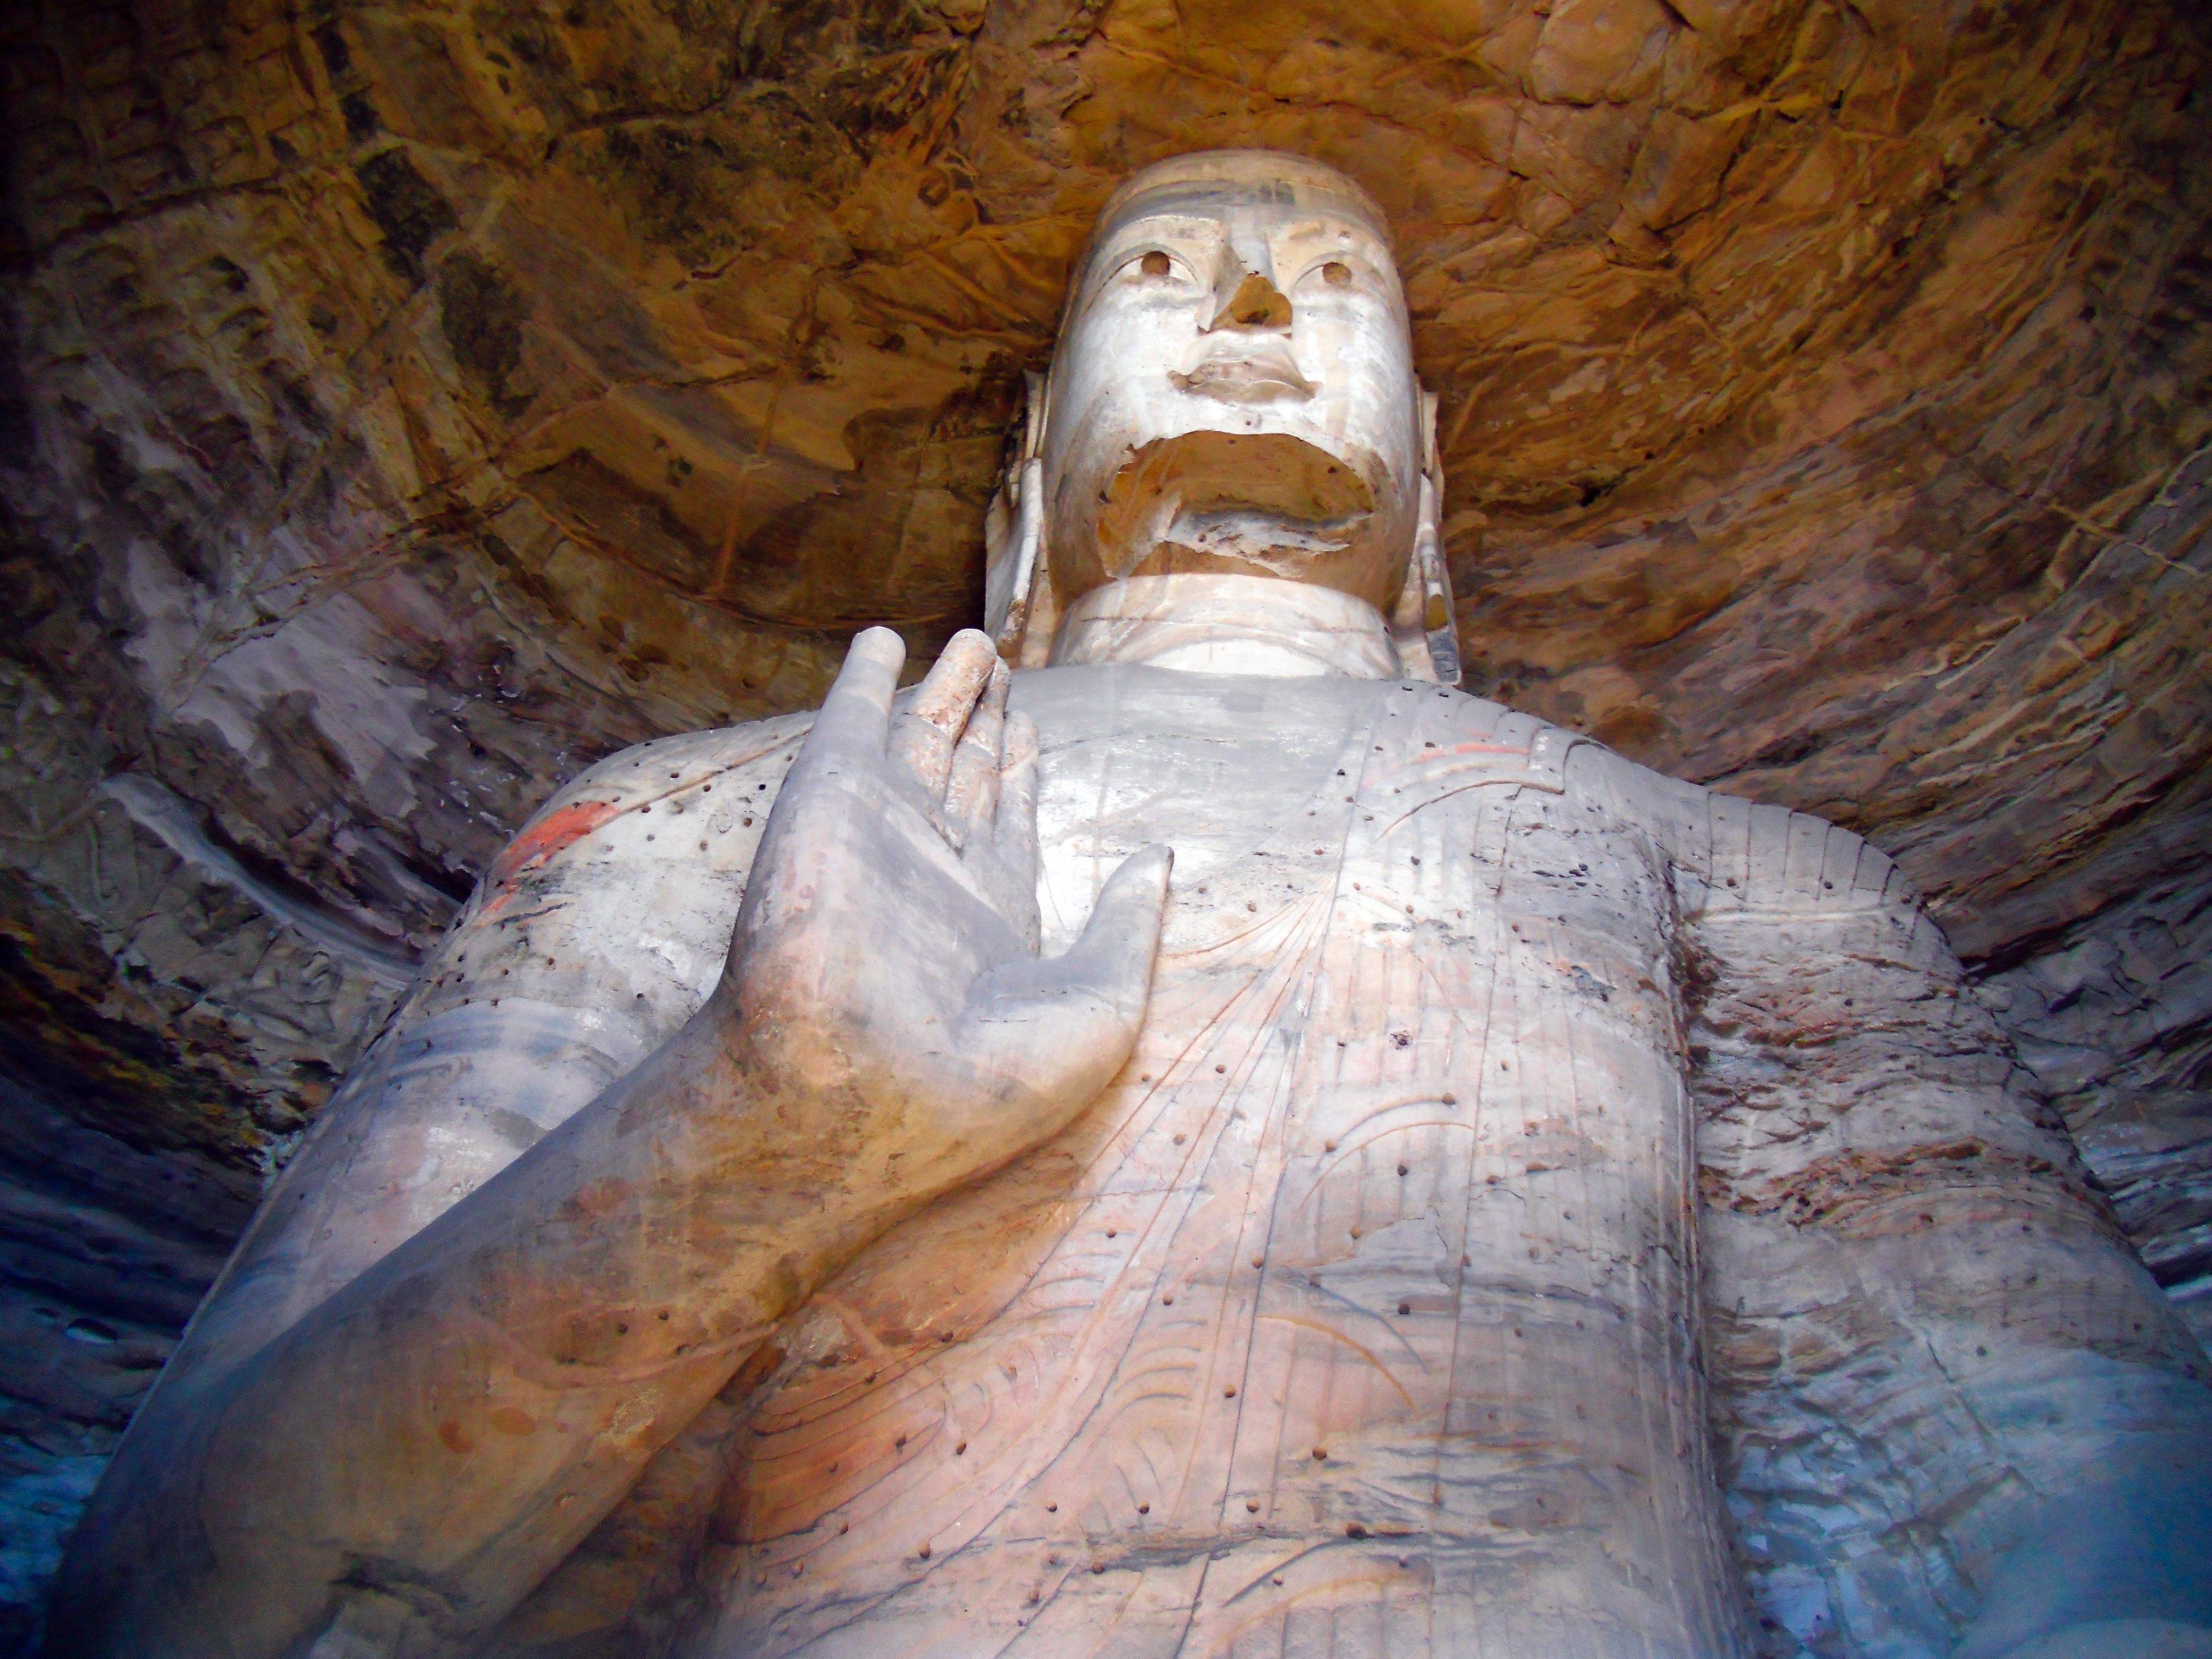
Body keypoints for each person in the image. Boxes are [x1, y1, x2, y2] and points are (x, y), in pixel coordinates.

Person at [49, 150, 2212, 1659]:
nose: (1253, 317)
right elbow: (175, 1601)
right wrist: (755, 1142)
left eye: (1330, 283)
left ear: (1431, 487)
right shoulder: (708, 813)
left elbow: (2052, 1495)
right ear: (1024, 480)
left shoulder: (1735, 868)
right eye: (1164, 273)